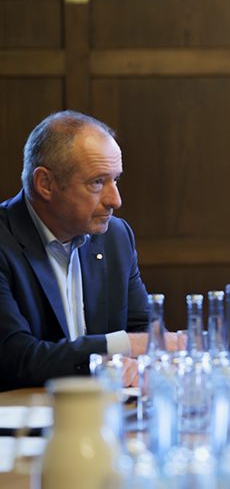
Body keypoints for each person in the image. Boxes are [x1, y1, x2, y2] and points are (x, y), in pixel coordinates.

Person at [0, 110, 179, 391]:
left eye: (115, 180)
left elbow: (145, 331)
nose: (115, 200)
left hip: (106, 415)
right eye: (97, 182)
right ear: (45, 184)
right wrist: (121, 346)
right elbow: (16, 359)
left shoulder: (115, 237)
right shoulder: (4, 241)